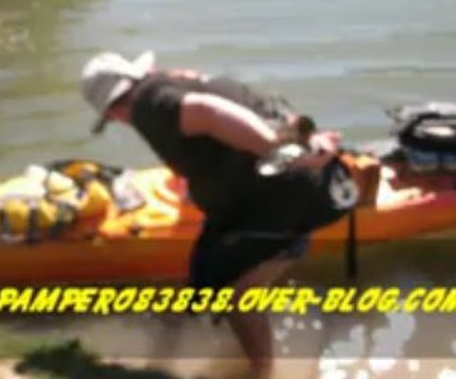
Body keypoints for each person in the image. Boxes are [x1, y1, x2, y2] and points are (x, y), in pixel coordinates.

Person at [80, 50, 358, 378]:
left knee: (238, 297)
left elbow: (208, 112)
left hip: (288, 197)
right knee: (214, 268)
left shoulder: (149, 106)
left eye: (111, 118)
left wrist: (284, 152)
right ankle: (238, 344)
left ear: (113, 110)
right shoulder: (175, 80)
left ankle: (263, 372)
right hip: (292, 186)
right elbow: (225, 118)